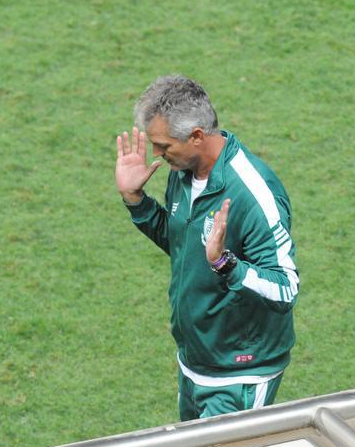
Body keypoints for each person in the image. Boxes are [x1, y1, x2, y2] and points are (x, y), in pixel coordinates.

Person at [115, 74, 299, 421]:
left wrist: (226, 264)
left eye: (164, 145)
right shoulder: (184, 172)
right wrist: (136, 200)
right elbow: (184, 247)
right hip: (195, 362)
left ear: (197, 136)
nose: (156, 154)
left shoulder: (252, 194)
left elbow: (285, 289)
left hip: (240, 374)